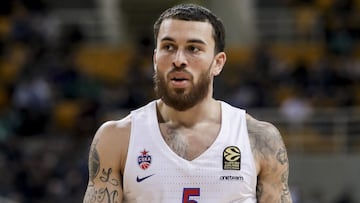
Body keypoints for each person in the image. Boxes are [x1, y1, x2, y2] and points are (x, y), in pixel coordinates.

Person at [83, 3, 292, 203]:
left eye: (193, 48)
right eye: (169, 47)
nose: (179, 59)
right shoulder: (117, 138)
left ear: (217, 63)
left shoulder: (259, 139)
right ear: (155, 59)